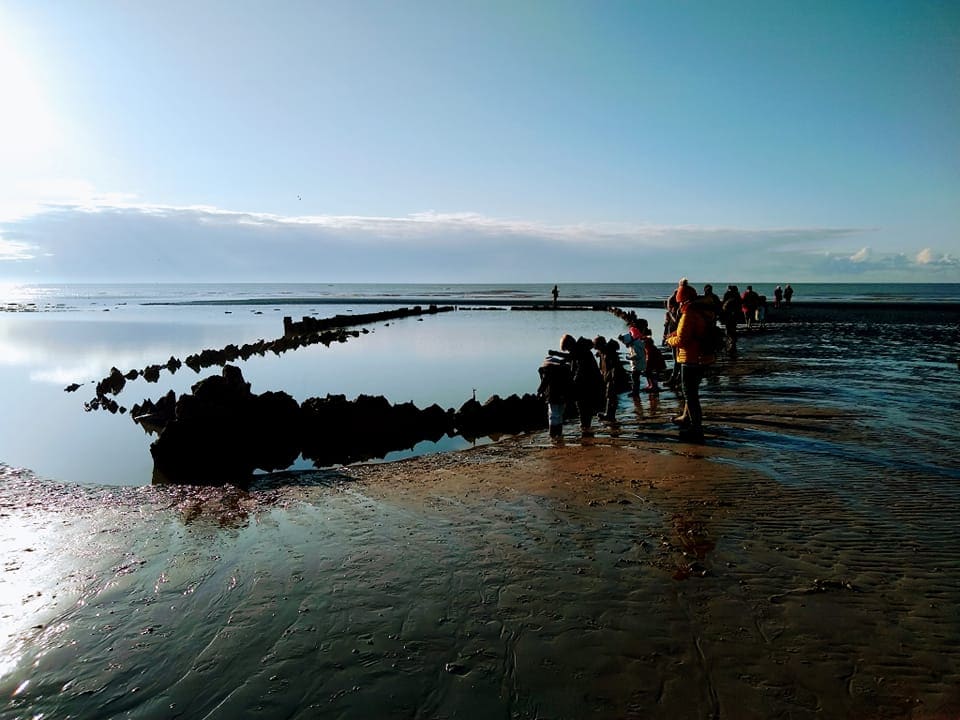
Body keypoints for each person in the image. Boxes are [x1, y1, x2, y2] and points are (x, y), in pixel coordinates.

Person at [666, 283, 717, 443]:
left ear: (683, 300)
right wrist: (677, 333)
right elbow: (691, 332)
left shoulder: (689, 314)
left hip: (691, 358)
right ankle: (685, 418)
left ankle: (696, 428)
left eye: (679, 301)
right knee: (692, 393)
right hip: (703, 357)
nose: (679, 304)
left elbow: (683, 339)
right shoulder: (704, 311)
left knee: (690, 395)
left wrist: (670, 340)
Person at [550, 334, 603, 435]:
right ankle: (586, 427)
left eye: (567, 348)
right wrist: (564, 360)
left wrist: (555, 354)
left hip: (587, 383)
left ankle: (586, 429)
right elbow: (572, 357)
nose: (568, 351)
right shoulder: (581, 349)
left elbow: (575, 361)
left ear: (570, 345)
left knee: (583, 406)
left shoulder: (580, 350)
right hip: (590, 382)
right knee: (584, 407)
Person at [537, 354, 571, 439]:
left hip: (553, 396)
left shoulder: (548, 371)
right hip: (563, 395)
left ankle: (553, 433)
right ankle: (559, 433)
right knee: (560, 414)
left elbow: (544, 383)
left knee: (553, 414)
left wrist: (539, 392)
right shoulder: (565, 370)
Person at [721, 284, 741, 351]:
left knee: (728, 329)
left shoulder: (727, 294)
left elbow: (724, 304)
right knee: (733, 329)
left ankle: (730, 344)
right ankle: (732, 343)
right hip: (735, 314)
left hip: (728, 314)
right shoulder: (737, 295)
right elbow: (740, 304)